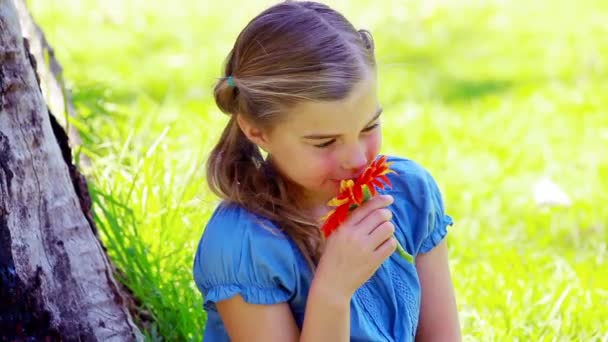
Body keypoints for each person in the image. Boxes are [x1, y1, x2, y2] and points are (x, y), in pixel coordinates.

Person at [192, 1, 460, 341]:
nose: (357, 159)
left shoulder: (409, 194)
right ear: (257, 131)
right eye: (324, 142)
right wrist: (333, 290)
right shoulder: (243, 246)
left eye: (369, 127)